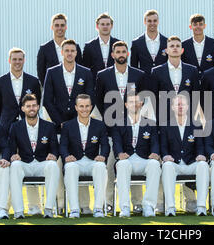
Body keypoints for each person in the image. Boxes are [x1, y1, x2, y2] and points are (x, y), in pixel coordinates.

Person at [42, 39, 94, 214]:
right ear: (62, 53)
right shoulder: (52, 72)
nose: (70, 53)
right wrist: (60, 122)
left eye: (73, 50)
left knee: (81, 160)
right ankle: (60, 203)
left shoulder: (86, 72)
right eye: (67, 50)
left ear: (76, 53)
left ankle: (84, 205)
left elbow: (89, 97)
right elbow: (47, 101)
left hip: (80, 125)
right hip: (58, 126)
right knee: (58, 165)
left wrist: (75, 122)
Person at [95, 41, 146, 213]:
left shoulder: (138, 75)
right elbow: (99, 101)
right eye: (118, 51)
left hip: (134, 128)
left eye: (124, 51)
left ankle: (137, 202)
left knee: (133, 162)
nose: (121, 54)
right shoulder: (103, 75)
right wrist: (110, 120)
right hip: (111, 129)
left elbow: (143, 100)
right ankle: (109, 202)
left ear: (128, 54)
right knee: (110, 167)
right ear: (112, 55)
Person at [0, 47, 43, 215]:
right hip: (7, 131)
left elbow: (36, 104)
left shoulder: (33, 81)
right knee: (8, 166)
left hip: (29, 129)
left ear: (24, 60)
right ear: (9, 60)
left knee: (31, 163)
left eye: (20, 59)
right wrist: (7, 122)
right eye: (14, 59)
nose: (17, 62)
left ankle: (35, 207)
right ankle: (5, 207)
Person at [9, 94, 60, 219]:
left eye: (34, 106)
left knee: (53, 166)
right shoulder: (15, 127)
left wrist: (53, 155)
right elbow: (10, 148)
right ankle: (19, 211)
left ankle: (48, 209)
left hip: (42, 163)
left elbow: (55, 147)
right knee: (15, 165)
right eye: (28, 106)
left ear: (38, 107)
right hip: (24, 163)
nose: (31, 108)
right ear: (23, 109)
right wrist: (13, 156)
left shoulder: (49, 126)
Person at [112, 91, 161, 217]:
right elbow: (116, 143)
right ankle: (125, 207)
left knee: (155, 164)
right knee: (122, 164)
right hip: (127, 160)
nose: (134, 105)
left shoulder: (150, 123)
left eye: (137, 102)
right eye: (131, 102)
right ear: (126, 105)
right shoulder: (118, 123)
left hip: (144, 159)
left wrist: (155, 153)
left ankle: (148, 206)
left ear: (141, 104)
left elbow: (155, 142)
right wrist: (119, 153)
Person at [61, 94, 109, 218]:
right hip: (75, 161)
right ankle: (74, 210)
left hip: (92, 161)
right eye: (81, 106)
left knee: (100, 167)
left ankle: (98, 208)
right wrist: (67, 156)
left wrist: (102, 156)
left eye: (87, 106)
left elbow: (105, 145)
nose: (84, 109)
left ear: (91, 107)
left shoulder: (99, 125)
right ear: (76, 107)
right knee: (70, 167)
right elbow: (63, 146)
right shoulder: (67, 126)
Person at [160, 94, 209, 216]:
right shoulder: (166, 125)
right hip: (174, 164)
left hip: (190, 163)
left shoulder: (196, 124)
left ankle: (202, 206)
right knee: (166, 166)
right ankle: (170, 207)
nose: (180, 107)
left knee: (203, 165)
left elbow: (200, 146)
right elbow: (163, 147)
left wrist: (201, 155)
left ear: (188, 107)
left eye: (183, 104)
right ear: (172, 107)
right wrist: (165, 156)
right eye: (178, 104)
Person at [150, 36, 200, 126]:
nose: (175, 48)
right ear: (166, 50)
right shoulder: (157, 71)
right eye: (172, 46)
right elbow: (154, 98)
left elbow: (196, 96)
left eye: (178, 46)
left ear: (182, 50)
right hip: (165, 119)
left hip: (187, 118)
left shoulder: (192, 70)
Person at [37, 13, 84, 86]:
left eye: (62, 25)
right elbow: (41, 73)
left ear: (66, 27)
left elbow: (80, 69)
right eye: (56, 25)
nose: (59, 28)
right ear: (52, 27)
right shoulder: (44, 49)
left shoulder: (75, 47)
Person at [82, 13, 120, 84]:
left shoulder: (119, 44)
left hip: (115, 85)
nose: (105, 26)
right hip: (95, 86)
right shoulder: (89, 46)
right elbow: (85, 70)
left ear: (111, 26)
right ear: (97, 26)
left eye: (107, 24)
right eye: (102, 24)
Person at [130, 9, 168, 76]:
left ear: (158, 21)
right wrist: (131, 86)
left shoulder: (166, 42)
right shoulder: (136, 43)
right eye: (149, 21)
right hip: (143, 83)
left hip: (163, 83)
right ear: (145, 22)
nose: (152, 23)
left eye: (155, 21)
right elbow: (133, 68)